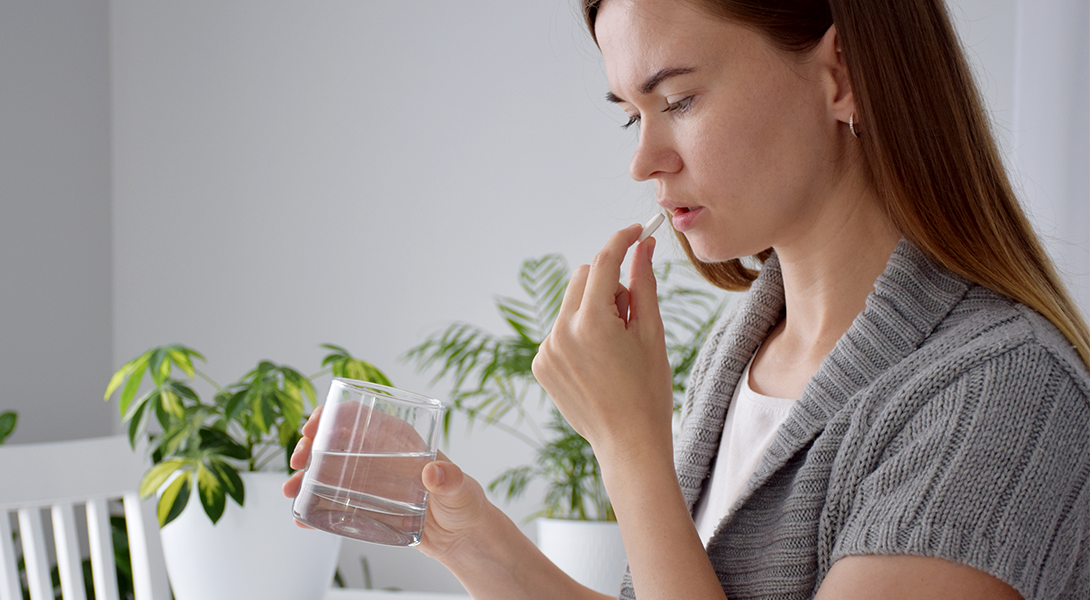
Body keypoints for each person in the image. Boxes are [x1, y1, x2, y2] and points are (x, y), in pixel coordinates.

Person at [285, 0, 1090, 597]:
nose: (644, 161)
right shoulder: (742, 352)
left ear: (842, 76)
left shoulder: (1003, 396)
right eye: (630, 115)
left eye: (677, 101)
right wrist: (467, 535)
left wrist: (630, 448)